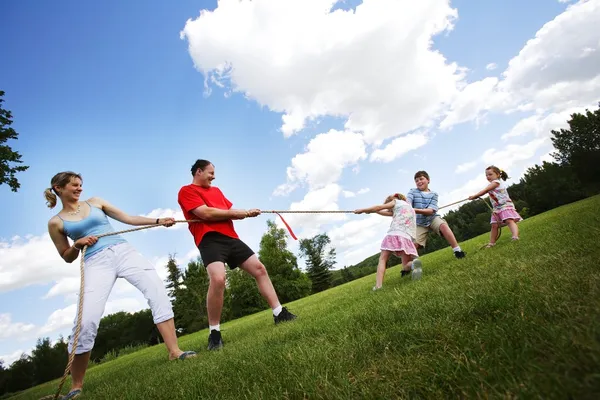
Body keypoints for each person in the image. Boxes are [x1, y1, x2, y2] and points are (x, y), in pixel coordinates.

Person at [45, 171, 196, 400]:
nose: (79, 189)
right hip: (95, 262)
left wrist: (158, 221)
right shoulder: (56, 222)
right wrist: (77, 244)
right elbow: (66, 256)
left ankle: (174, 352)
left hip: (124, 251)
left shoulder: (95, 202)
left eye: (80, 185)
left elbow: (128, 219)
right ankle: (76, 385)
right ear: (58, 187)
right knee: (86, 320)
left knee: (156, 290)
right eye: (74, 185)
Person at [177, 159, 297, 351]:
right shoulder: (186, 191)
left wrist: (247, 213)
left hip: (230, 237)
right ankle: (214, 334)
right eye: (210, 173)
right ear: (198, 171)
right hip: (209, 238)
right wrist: (240, 213)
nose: (213, 177)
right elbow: (206, 213)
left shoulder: (216, 192)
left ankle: (279, 313)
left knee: (259, 269)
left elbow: (228, 212)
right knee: (218, 279)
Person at [355, 193, 422, 290]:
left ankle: (378, 286)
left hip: (394, 234)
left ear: (394, 199)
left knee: (382, 259)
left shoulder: (395, 202)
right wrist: (372, 211)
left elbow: (379, 207)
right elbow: (382, 211)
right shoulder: (409, 207)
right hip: (407, 237)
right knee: (406, 264)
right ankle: (413, 265)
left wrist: (363, 210)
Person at [406, 170, 466, 259]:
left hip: (432, 218)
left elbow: (430, 211)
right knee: (414, 244)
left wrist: (414, 210)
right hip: (419, 222)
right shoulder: (412, 191)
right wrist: (408, 207)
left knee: (443, 226)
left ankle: (458, 251)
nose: (419, 182)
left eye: (421, 179)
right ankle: (409, 266)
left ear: (428, 180)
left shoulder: (434, 194)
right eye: (416, 181)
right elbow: (408, 201)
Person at [468, 165, 522, 247]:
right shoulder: (493, 183)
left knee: (509, 221)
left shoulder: (497, 182)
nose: (488, 176)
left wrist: (474, 196)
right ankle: (492, 243)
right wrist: (476, 196)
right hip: (497, 208)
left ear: (497, 175)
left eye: (490, 174)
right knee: (494, 225)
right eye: (486, 175)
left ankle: (515, 236)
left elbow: (485, 190)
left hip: (505, 205)